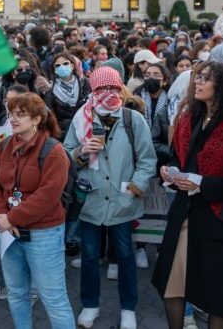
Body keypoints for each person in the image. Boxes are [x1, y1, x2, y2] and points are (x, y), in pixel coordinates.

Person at [63, 67, 156, 329]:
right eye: (101, 89)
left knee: (125, 254)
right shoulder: (82, 118)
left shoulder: (132, 119)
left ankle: (129, 309)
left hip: (122, 199)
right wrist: (82, 151)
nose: (108, 94)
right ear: (93, 91)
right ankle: (90, 305)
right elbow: (66, 153)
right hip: (90, 197)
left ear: (120, 89)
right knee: (90, 255)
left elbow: (147, 159)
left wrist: (134, 189)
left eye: (113, 88)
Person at [152, 62, 223, 329]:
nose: (197, 82)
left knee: (217, 296)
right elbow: (182, 159)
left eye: (205, 79)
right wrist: (170, 171)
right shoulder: (189, 118)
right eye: (197, 77)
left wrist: (200, 183)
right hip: (185, 214)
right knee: (171, 285)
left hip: (220, 220)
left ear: (222, 86)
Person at [0, 92, 75, 329]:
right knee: (16, 294)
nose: (13, 119)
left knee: (53, 298)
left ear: (37, 120)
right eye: (11, 114)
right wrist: (1, 215)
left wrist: (10, 217)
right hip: (7, 232)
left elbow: (48, 195)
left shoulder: (54, 151)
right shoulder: (3, 146)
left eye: (20, 115)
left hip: (43, 234)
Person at [44, 52, 91, 141]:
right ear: (54, 70)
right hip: (64, 135)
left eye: (65, 63)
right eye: (57, 65)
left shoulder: (85, 84)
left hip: (87, 129)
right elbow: (51, 118)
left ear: (72, 66)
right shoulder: (50, 92)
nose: (62, 67)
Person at [134, 63, 172, 128]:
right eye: (148, 75)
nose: (151, 78)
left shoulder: (170, 100)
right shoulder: (136, 98)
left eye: (156, 75)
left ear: (165, 81)